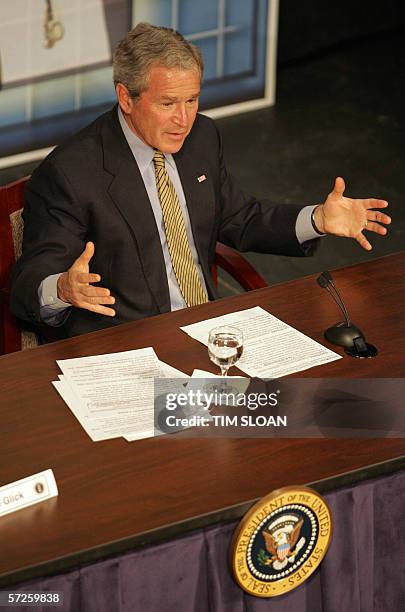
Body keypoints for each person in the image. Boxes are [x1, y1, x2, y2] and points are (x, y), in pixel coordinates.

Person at [10, 23, 390, 339]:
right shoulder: (71, 173)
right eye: (168, 103)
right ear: (126, 98)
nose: (184, 119)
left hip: (211, 331)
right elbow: (27, 286)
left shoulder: (202, 138)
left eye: (192, 100)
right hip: (130, 345)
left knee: (298, 404)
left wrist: (317, 220)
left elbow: (239, 217)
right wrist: (62, 288)